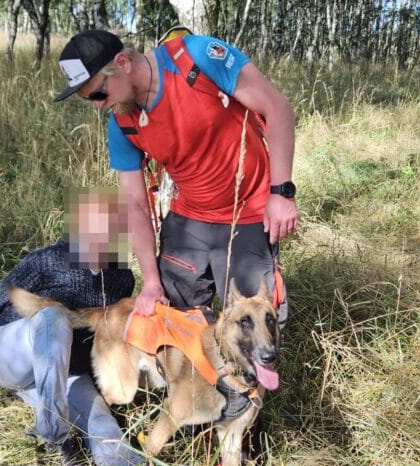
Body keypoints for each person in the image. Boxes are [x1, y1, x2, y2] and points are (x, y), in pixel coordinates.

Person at [0, 188, 189, 466]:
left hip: (61, 371)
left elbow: (109, 334)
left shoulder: (121, 278)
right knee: (52, 318)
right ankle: (55, 430)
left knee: (101, 421)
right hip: (9, 352)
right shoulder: (47, 260)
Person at [53, 30, 297, 323]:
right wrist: (152, 283)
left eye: (98, 93)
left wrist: (281, 193)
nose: (98, 105)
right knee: (172, 324)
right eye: (88, 99)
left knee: (256, 329)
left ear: (122, 63)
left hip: (248, 210)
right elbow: (134, 204)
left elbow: (277, 108)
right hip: (190, 219)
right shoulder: (121, 124)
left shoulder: (195, 56)